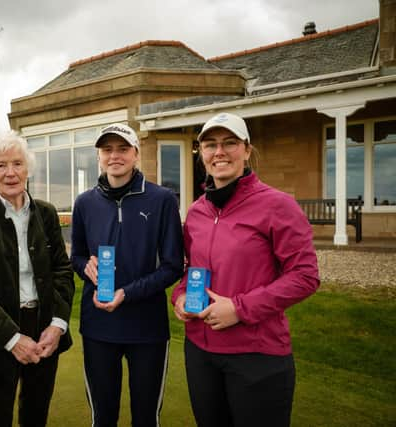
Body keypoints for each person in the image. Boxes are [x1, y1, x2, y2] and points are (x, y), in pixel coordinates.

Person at [171, 112, 320, 427]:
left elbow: (305, 276)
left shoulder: (278, 206)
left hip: (257, 354)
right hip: (200, 351)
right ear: (201, 154)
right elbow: (190, 269)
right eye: (210, 145)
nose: (219, 152)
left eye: (230, 143)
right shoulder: (197, 211)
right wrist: (181, 296)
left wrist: (239, 309)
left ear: (247, 150)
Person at [0, 131, 74, 427]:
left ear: (27, 168)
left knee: (36, 417)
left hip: (44, 329)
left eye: (17, 163)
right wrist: (11, 338)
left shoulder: (46, 213)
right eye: (0, 165)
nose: (10, 173)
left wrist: (57, 326)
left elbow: (62, 271)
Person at [71, 123, 185, 427]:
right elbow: (77, 256)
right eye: (107, 149)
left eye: (122, 149)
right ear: (99, 156)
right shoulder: (84, 202)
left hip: (147, 328)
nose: (114, 156)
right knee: (102, 417)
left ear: (136, 154)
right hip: (98, 326)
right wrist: (86, 267)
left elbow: (173, 265)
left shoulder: (162, 200)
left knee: (146, 418)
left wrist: (128, 293)